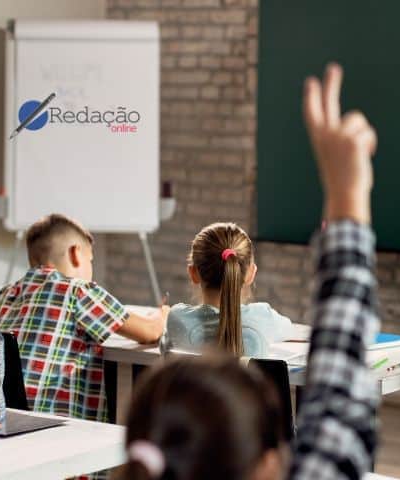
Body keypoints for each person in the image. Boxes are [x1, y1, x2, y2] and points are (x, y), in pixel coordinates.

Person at [118, 62, 381, 480]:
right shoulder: (263, 320)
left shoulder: (179, 323)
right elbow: (336, 396)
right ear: (249, 273)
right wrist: (346, 191)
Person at [0, 213, 166, 422]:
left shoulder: (6, 293)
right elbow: (150, 332)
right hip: (51, 423)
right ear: (76, 254)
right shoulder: (78, 291)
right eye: (90, 260)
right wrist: (164, 314)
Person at [166, 222, 291, 357]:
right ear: (251, 274)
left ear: (193, 273)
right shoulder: (264, 317)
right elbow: (290, 329)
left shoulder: (177, 318)